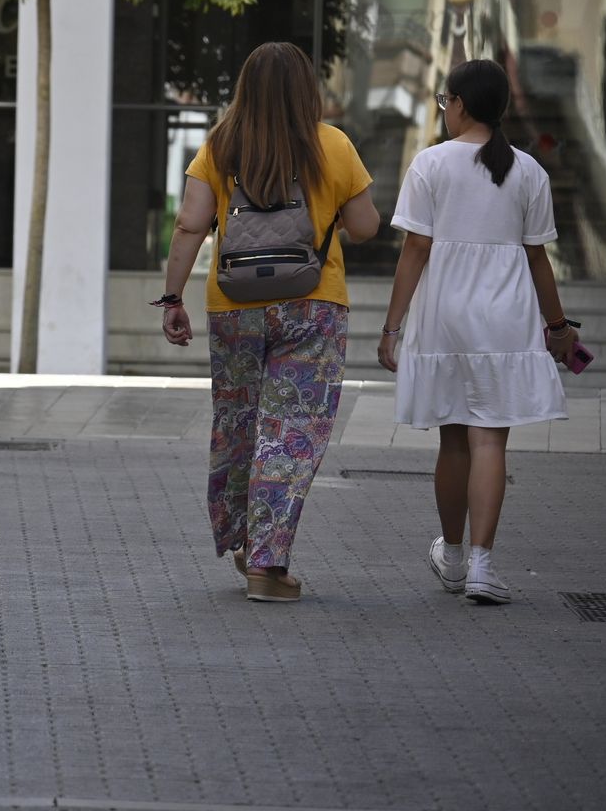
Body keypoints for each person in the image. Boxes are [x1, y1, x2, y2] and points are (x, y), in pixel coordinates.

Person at [157, 42, 380, 602]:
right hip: (313, 303)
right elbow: (367, 225)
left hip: (233, 305)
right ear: (307, 88)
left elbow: (189, 225)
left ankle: (242, 539)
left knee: (238, 424)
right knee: (290, 432)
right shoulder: (332, 145)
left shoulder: (220, 144)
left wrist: (172, 297)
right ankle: (267, 564)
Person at [377, 59, 573, 605]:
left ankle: (455, 556)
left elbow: (415, 250)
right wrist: (557, 327)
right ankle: (484, 566)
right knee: (491, 437)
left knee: (453, 438)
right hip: (505, 317)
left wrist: (392, 327)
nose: (444, 109)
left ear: (459, 103)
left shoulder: (431, 165)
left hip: (444, 315)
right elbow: (538, 260)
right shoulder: (529, 171)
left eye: (446, 100)